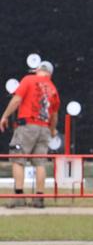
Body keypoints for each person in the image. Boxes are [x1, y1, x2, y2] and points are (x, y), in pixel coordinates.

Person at [1, 60, 60, 209]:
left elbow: (17, 100)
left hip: (27, 126)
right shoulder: (53, 88)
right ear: (50, 74)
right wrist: (52, 130)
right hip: (44, 128)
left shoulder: (29, 79)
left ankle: (19, 196)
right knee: (40, 163)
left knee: (18, 159)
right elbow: (54, 115)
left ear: (38, 69)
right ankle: (39, 198)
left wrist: (5, 116)